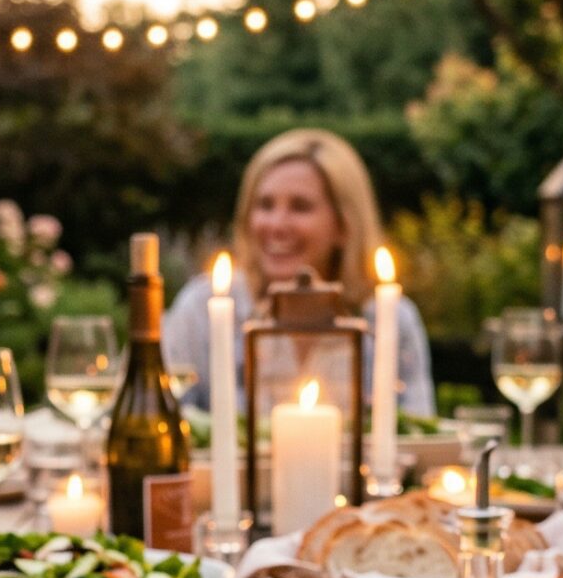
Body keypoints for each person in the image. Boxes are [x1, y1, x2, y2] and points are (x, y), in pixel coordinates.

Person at [161, 128, 436, 417]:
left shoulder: (387, 318)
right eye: (265, 205)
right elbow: (163, 418)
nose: (277, 225)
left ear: (344, 225)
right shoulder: (201, 310)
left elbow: (417, 425)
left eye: (300, 207)